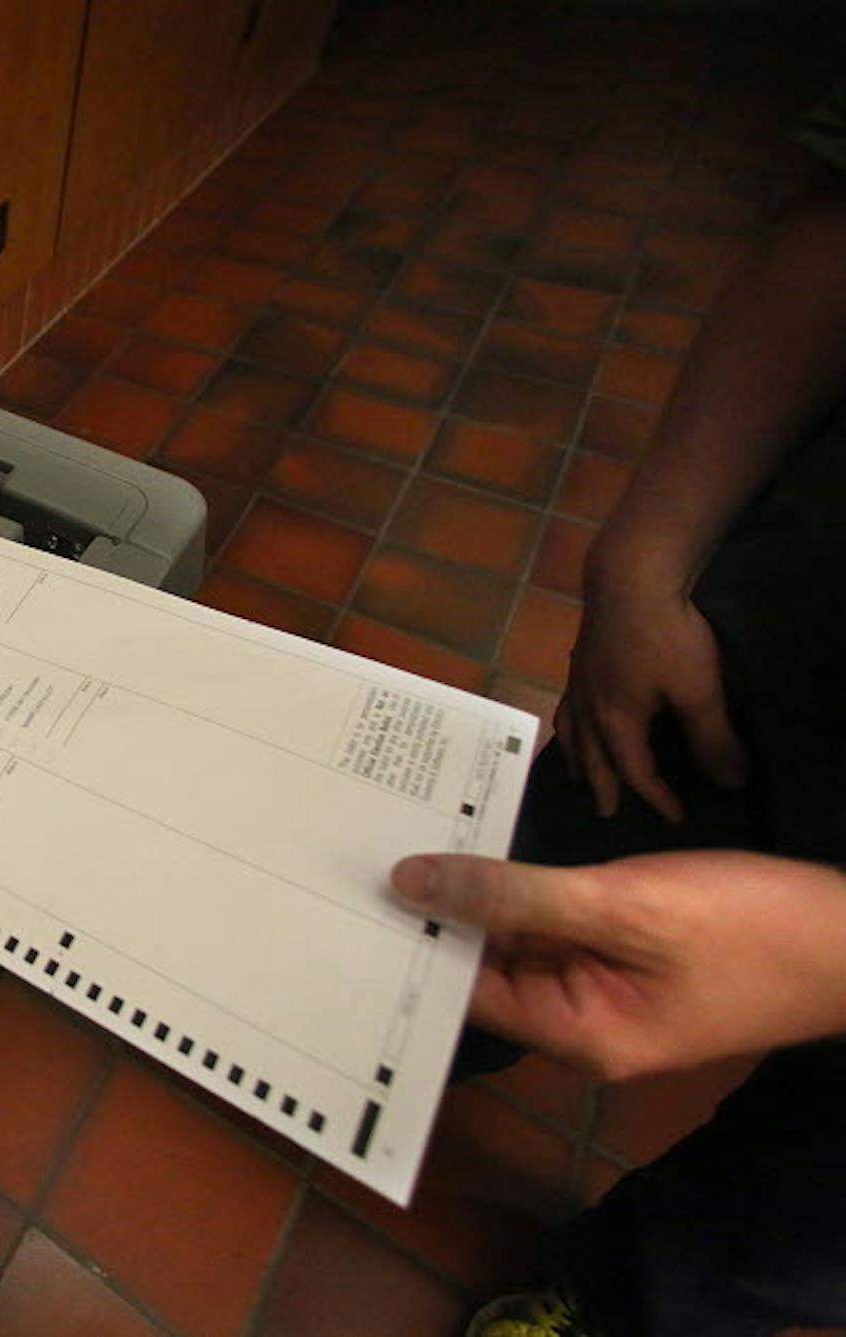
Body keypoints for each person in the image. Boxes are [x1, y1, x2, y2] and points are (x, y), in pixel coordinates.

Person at [389, 84, 846, 1337]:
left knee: (790, 1220)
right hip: (757, 661)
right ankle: (407, 1043)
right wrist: (642, 559)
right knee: (516, 890)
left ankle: (613, 1303)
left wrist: (829, 954)